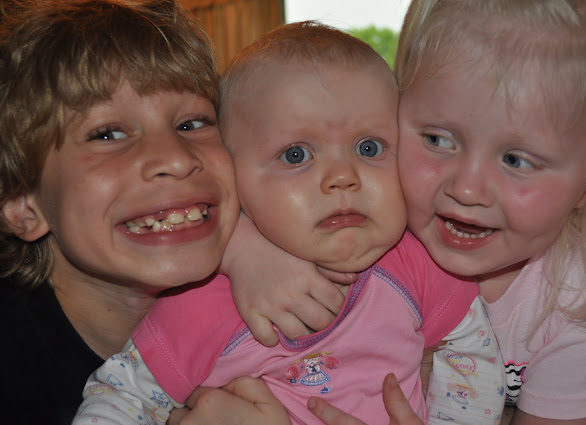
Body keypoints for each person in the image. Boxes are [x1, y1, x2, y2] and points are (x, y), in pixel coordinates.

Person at [215, 1, 586, 424]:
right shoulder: (360, 215)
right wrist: (239, 247)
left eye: (517, 160)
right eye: (437, 140)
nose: (466, 189)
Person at [73, 21, 505, 425]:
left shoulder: (418, 265)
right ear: (235, 178)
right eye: (296, 155)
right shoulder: (201, 303)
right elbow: (120, 396)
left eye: (369, 148)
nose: (343, 177)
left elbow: (473, 354)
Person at [0, 1, 241, 424]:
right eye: (108, 134)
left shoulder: (295, 299)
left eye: (192, 123)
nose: (176, 158)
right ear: (23, 205)